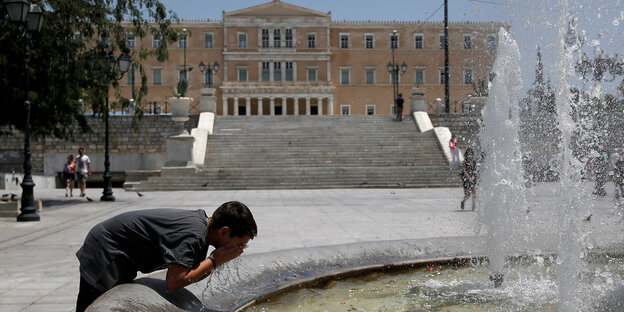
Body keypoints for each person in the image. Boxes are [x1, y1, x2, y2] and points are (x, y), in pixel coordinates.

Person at [75, 201, 257, 312]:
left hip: (121, 254)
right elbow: (175, 281)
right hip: (106, 249)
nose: (241, 249)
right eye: (239, 243)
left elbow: (194, 273)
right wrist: (215, 260)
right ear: (224, 232)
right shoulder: (194, 234)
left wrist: (214, 261)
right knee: (93, 306)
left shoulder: (202, 230)